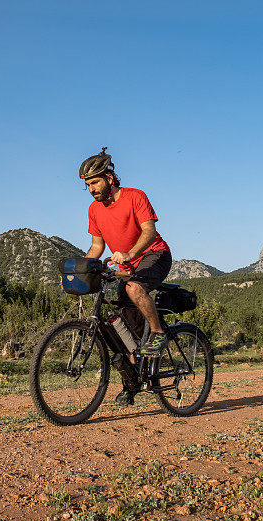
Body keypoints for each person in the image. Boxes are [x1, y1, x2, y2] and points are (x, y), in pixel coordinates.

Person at [80, 147, 173, 405]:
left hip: (155, 255)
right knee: (121, 326)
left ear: (109, 179)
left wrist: (130, 254)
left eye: (95, 182)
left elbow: (149, 232)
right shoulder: (94, 210)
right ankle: (133, 382)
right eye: (87, 185)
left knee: (133, 288)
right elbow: (97, 247)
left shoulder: (135, 197)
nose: (91, 189)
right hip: (128, 265)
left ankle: (158, 333)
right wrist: (83, 267)